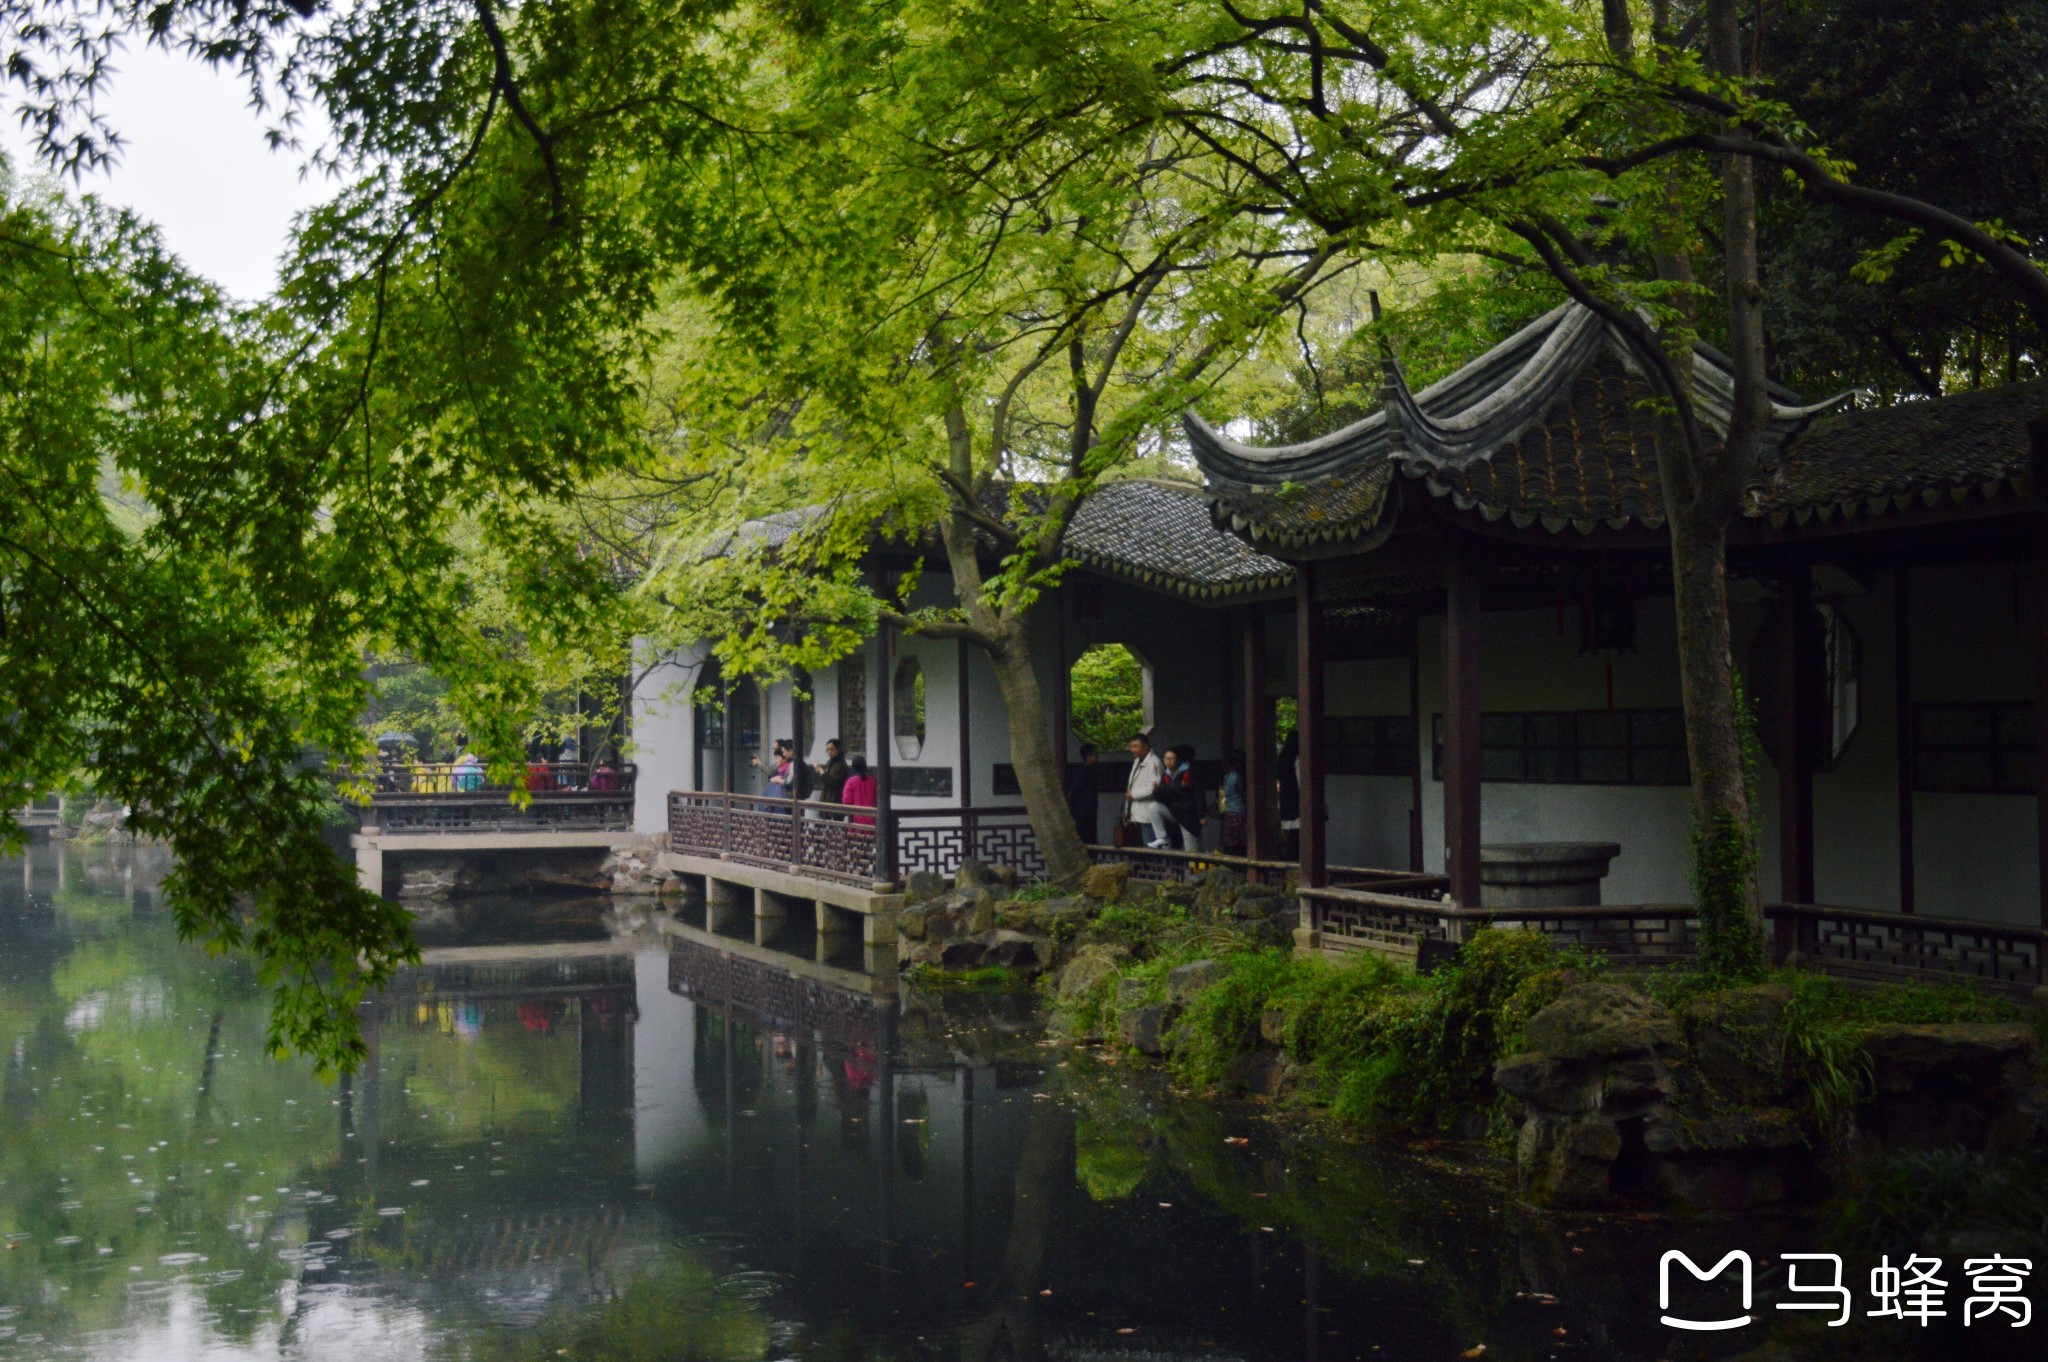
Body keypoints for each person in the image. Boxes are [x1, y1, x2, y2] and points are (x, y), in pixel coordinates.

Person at [1124, 733, 1169, 848]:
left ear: (1146, 746)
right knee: (1141, 847)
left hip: (1147, 814)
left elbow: (1154, 788)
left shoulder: (1154, 762)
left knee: (1151, 847)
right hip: (1137, 813)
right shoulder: (1137, 760)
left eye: (1136, 746)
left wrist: (1133, 794)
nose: (1133, 749)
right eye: (1131, 746)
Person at [1158, 744, 1204, 850]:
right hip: (1180, 813)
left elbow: (1198, 794)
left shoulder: (1187, 772)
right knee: (1188, 846)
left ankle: (1184, 866)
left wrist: (1201, 815)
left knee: (1184, 845)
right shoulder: (1170, 773)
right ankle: (1189, 866)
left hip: (1183, 814)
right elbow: (1199, 794)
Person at [1064, 743, 1100, 845]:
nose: (1097, 756)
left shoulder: (1090, 770)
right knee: (1086, 839)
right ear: (1088, 756)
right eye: (1095, 754)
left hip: (1089, 813)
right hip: (1082, 814)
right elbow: (1074, 793)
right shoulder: (1082, 772)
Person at [1277, 729, 1301, 861]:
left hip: (1285, 803)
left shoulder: (1282, 759)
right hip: (1296, 803)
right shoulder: (1297, 760)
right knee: (1297, 840)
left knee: (1289, 839)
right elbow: (1300, 783)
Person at [1220, 748, 1248, 856]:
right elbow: (1243, 797)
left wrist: (1222, 810)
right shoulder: (1238, 777)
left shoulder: (1226, 776)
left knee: (1230, 844)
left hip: (1228, 813)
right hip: (1238, 813)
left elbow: (1222, 795)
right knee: (1240, 844)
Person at [841, 754, 878, 826]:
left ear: (853, 767)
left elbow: (846, 800)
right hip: (872, 820)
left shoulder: (851, 781)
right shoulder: (873, 780)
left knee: (857, 837)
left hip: (856, 821)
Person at [816, 738, 850, 804]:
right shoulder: (830, 762)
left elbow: (833, 782)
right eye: (827, 750)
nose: (829, 752)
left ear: (838, 749)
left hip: (835, 799)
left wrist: (821, 770)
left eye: (832, 750)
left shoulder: (841, 764)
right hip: (826, 797)